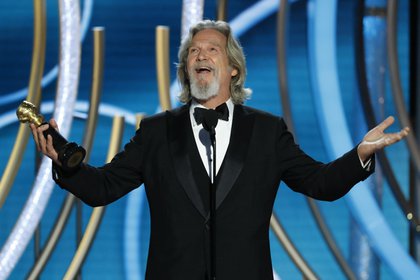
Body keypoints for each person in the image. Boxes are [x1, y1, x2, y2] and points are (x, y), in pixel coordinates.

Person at [30, 20, 409, 280]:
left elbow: (320, 183)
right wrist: (66, 164)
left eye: (212, 49)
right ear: (186, 70)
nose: (200, 55)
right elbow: (103, 188)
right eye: (193, 51)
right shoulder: (156, 131)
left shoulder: (266, 131)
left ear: (233, 69)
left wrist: (360, 153)